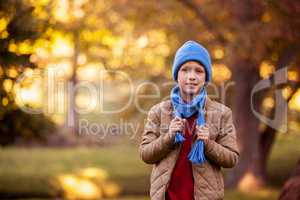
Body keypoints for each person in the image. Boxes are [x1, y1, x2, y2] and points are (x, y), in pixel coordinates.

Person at [139, 40, 240, 200]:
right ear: (176, 75)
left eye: (198, 71)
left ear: (206, 77)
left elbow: (231, 158)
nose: (191, 76)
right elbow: (145, 154)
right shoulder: (158, 112)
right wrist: (169, 136)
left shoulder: (221, 113)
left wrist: (208, 144)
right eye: (185, 70)